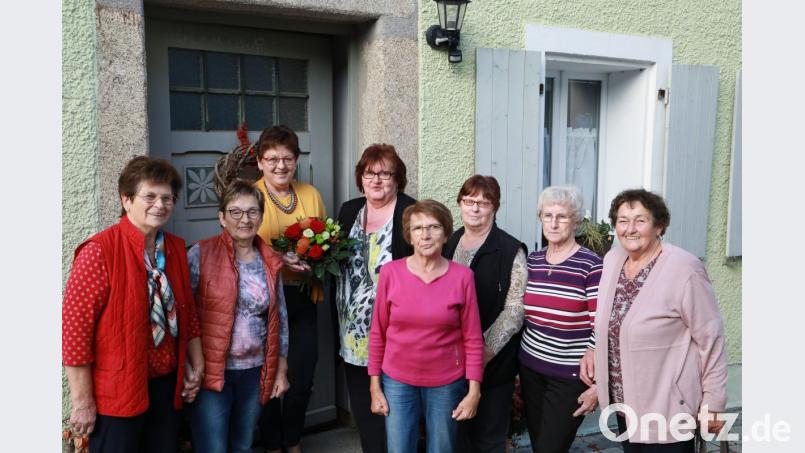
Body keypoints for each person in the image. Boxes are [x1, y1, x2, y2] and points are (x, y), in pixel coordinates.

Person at [62, 156, 204, 453]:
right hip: (118, 392)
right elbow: (75, 335)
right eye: (149, 196)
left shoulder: (175, 248)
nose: (160, 204)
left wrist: (196, 366)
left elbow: (188, 314)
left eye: (167, 197)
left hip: (166, 386)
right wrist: (83, 402)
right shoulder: (99, 251)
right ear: (126, 200)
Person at [578, 189, 727, 452]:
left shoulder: (684, 269)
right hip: (625, 408)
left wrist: (713, 402)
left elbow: (711, 338)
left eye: (640, 220)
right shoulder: (613, 260)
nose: (630, 229)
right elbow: (611, 327)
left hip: (668, 409)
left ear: (659, 225)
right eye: (623, 221)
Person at [368, 199, 484, 453]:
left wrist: (473, 391)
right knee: (399, 449)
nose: (426, 235)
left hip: (446, 382)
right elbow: (378, 333)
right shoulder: (390, 273)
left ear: (445, 234)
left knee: (442, 449)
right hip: (397, 380)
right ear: (409, 236)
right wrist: (375, 387)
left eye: (434, 227)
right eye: (418, 228)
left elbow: (473, 339)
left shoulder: (463, 277)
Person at [186, 180, 290, 453]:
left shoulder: (269, 259)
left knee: (242, 445)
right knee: (213, 447)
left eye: (252, 211)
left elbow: (280, 318)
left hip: (255, 371)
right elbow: (184, 314)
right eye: (235, 212)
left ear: (261, 216)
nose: (245, 219)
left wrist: (281, 368)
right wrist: (189, 365)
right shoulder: (201, 253)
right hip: (212, 371)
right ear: (221, 217)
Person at [334, 144, 416, 453]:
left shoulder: (410, 211)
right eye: (370, 173)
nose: (377, 180)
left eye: (385, 173)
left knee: (394, 408)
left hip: (395, 331)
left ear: (398, 178)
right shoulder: (349, 210)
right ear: (361, 176)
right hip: (352, 332)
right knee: (364, 408)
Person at [253, 125, 327, 453]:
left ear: (296, 160)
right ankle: (271, 444)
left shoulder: (310, 194)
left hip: (300, 297)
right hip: (262, 300)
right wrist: (280, 260)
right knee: (267, 375)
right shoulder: (248, 195)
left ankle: (292, 440)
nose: (280, 166)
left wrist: (318, 262)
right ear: (259, 162)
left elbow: (326, 241)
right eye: (272, 159)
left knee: (302, 375)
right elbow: (238, 247)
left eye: (287, 158)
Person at [443, 175, 527, 453]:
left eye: (483, 202)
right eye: (469, 201)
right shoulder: (449, 242)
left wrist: (482, 351)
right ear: (460, 204)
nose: (475, 208)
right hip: (451, 361)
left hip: (494, 363)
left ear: (495, 207)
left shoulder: (510, 249)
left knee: (489, 439)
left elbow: (515, 310)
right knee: (458, 436)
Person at [517, 185, 602, 453]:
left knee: (551, 447)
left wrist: (599, 378)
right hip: (531, 369)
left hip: (569, 375)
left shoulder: (590, 265)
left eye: (562, 217)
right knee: (539, 443)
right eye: (547, 215)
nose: (553, 223)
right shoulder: (534, 261)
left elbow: (603, 323)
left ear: (575, 221)